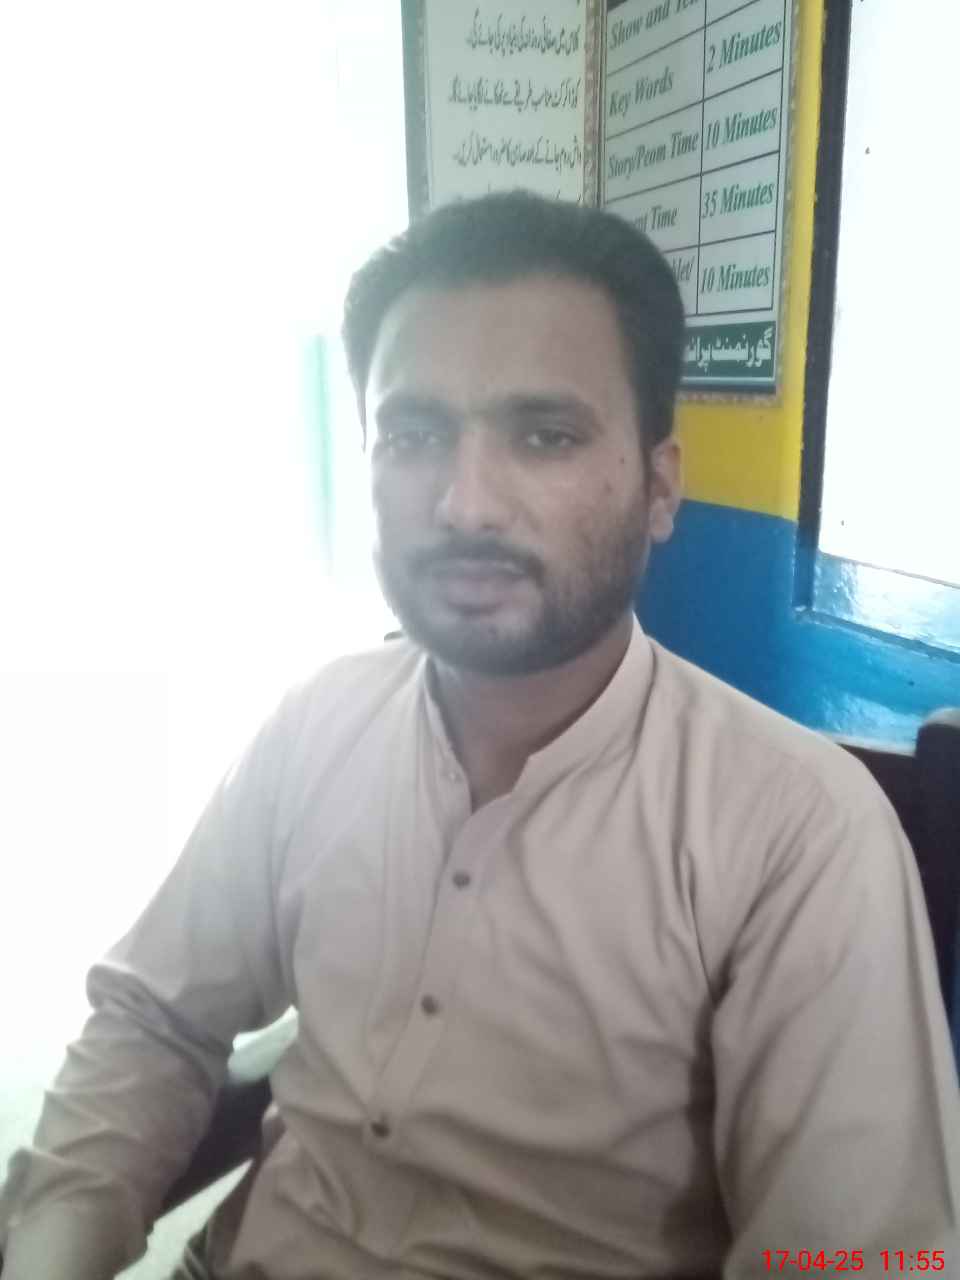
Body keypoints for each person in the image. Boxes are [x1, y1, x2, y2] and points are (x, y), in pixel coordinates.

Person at [1, 191, 957, 1280]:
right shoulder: (315, 725)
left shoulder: (798, 836)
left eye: (545, 435)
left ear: (659, 488)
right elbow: (155, 1020)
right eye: (413, 435)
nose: (464, 504)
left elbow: (851, 1259)